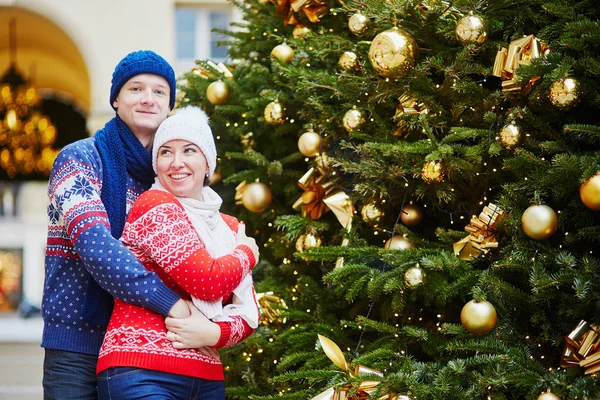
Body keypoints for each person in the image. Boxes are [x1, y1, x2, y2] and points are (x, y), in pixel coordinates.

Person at [42, 50, 192, 399]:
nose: (148, 99)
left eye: (159, 92)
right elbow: (95, 245)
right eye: (136, 89)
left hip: (144, 342)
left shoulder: (169, 176)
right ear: (115, 99)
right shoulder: (80, 158)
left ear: (169, 106)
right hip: (78, 342)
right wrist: (170, 302)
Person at [96, 106, 260, 399]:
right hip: (142, 371)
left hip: (207, 379)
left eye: (189, 150)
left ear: (208, 162)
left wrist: (213, 334)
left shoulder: (228, 226)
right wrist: (247, 253)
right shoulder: (154, 205)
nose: (176, 162)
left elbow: (249, 314)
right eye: (166, 152)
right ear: (156, 164)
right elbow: (207, 281)